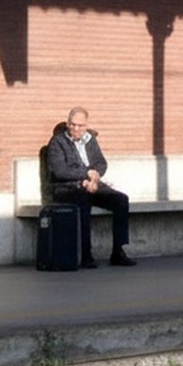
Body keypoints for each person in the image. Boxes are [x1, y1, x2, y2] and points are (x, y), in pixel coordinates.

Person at [44, 107, 136, 267]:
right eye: (72, 124)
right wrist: (86, 176)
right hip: (67, 188)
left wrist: (94, 179)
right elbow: (60, 171)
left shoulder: (90, 140)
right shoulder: (57, 142)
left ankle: (118, 251)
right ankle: (86, 254)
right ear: (68, 124)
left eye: (80, 125)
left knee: (121, 200)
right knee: (83, 201)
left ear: (86, 125)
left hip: (92, 185)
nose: (76, 129)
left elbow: (101, 163)